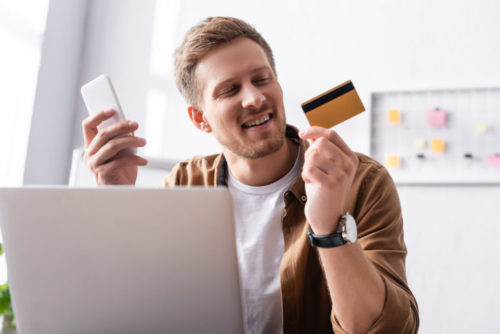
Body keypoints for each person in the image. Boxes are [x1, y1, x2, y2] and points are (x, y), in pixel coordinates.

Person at [82, 17, 419, 334]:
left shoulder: (361, 180)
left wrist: (328, 227)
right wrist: (116, 199)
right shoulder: (185, 183)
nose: (255, 98)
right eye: (230, 90)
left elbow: (388, 328)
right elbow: (146, 307)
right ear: (200, 119)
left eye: (262, 79)